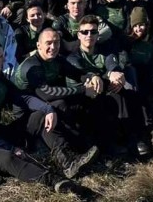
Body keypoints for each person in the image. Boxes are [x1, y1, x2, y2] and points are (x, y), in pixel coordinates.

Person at [0, 40, 82, 192]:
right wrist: (12, 148)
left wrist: (48, 109)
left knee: (39, 115)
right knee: (8, 157)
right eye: (1, 56)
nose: (5, 59)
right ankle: (53, 180)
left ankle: (66, 161)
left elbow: (23, 98)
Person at [63, 15, 153, 158]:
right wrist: (100, 76)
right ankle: (112, 145)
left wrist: (114, 73)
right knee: (104, 100)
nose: (89, 35)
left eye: (93, 32)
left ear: (98, 35)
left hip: (104, 90)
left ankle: (134, 140)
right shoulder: (73, 56)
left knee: (123, 91)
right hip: (83, 97)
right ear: (79, 35)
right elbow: (81, 73)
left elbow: (112, 63)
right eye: (85, 32)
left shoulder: (103, 52)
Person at [10, 28, 102, 177]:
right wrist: (83, 90)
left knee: (67, 103)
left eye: (56, 43)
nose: (53, 47)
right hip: (26, 120)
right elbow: (46, 93)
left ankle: (86, 144)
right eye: (48, 43)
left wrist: (91, 77)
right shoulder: (32, 66)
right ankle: (67, 163)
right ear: (38, 45)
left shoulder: (56, 59)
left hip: (47, 107)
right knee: (52, 108)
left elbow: (76, 73)